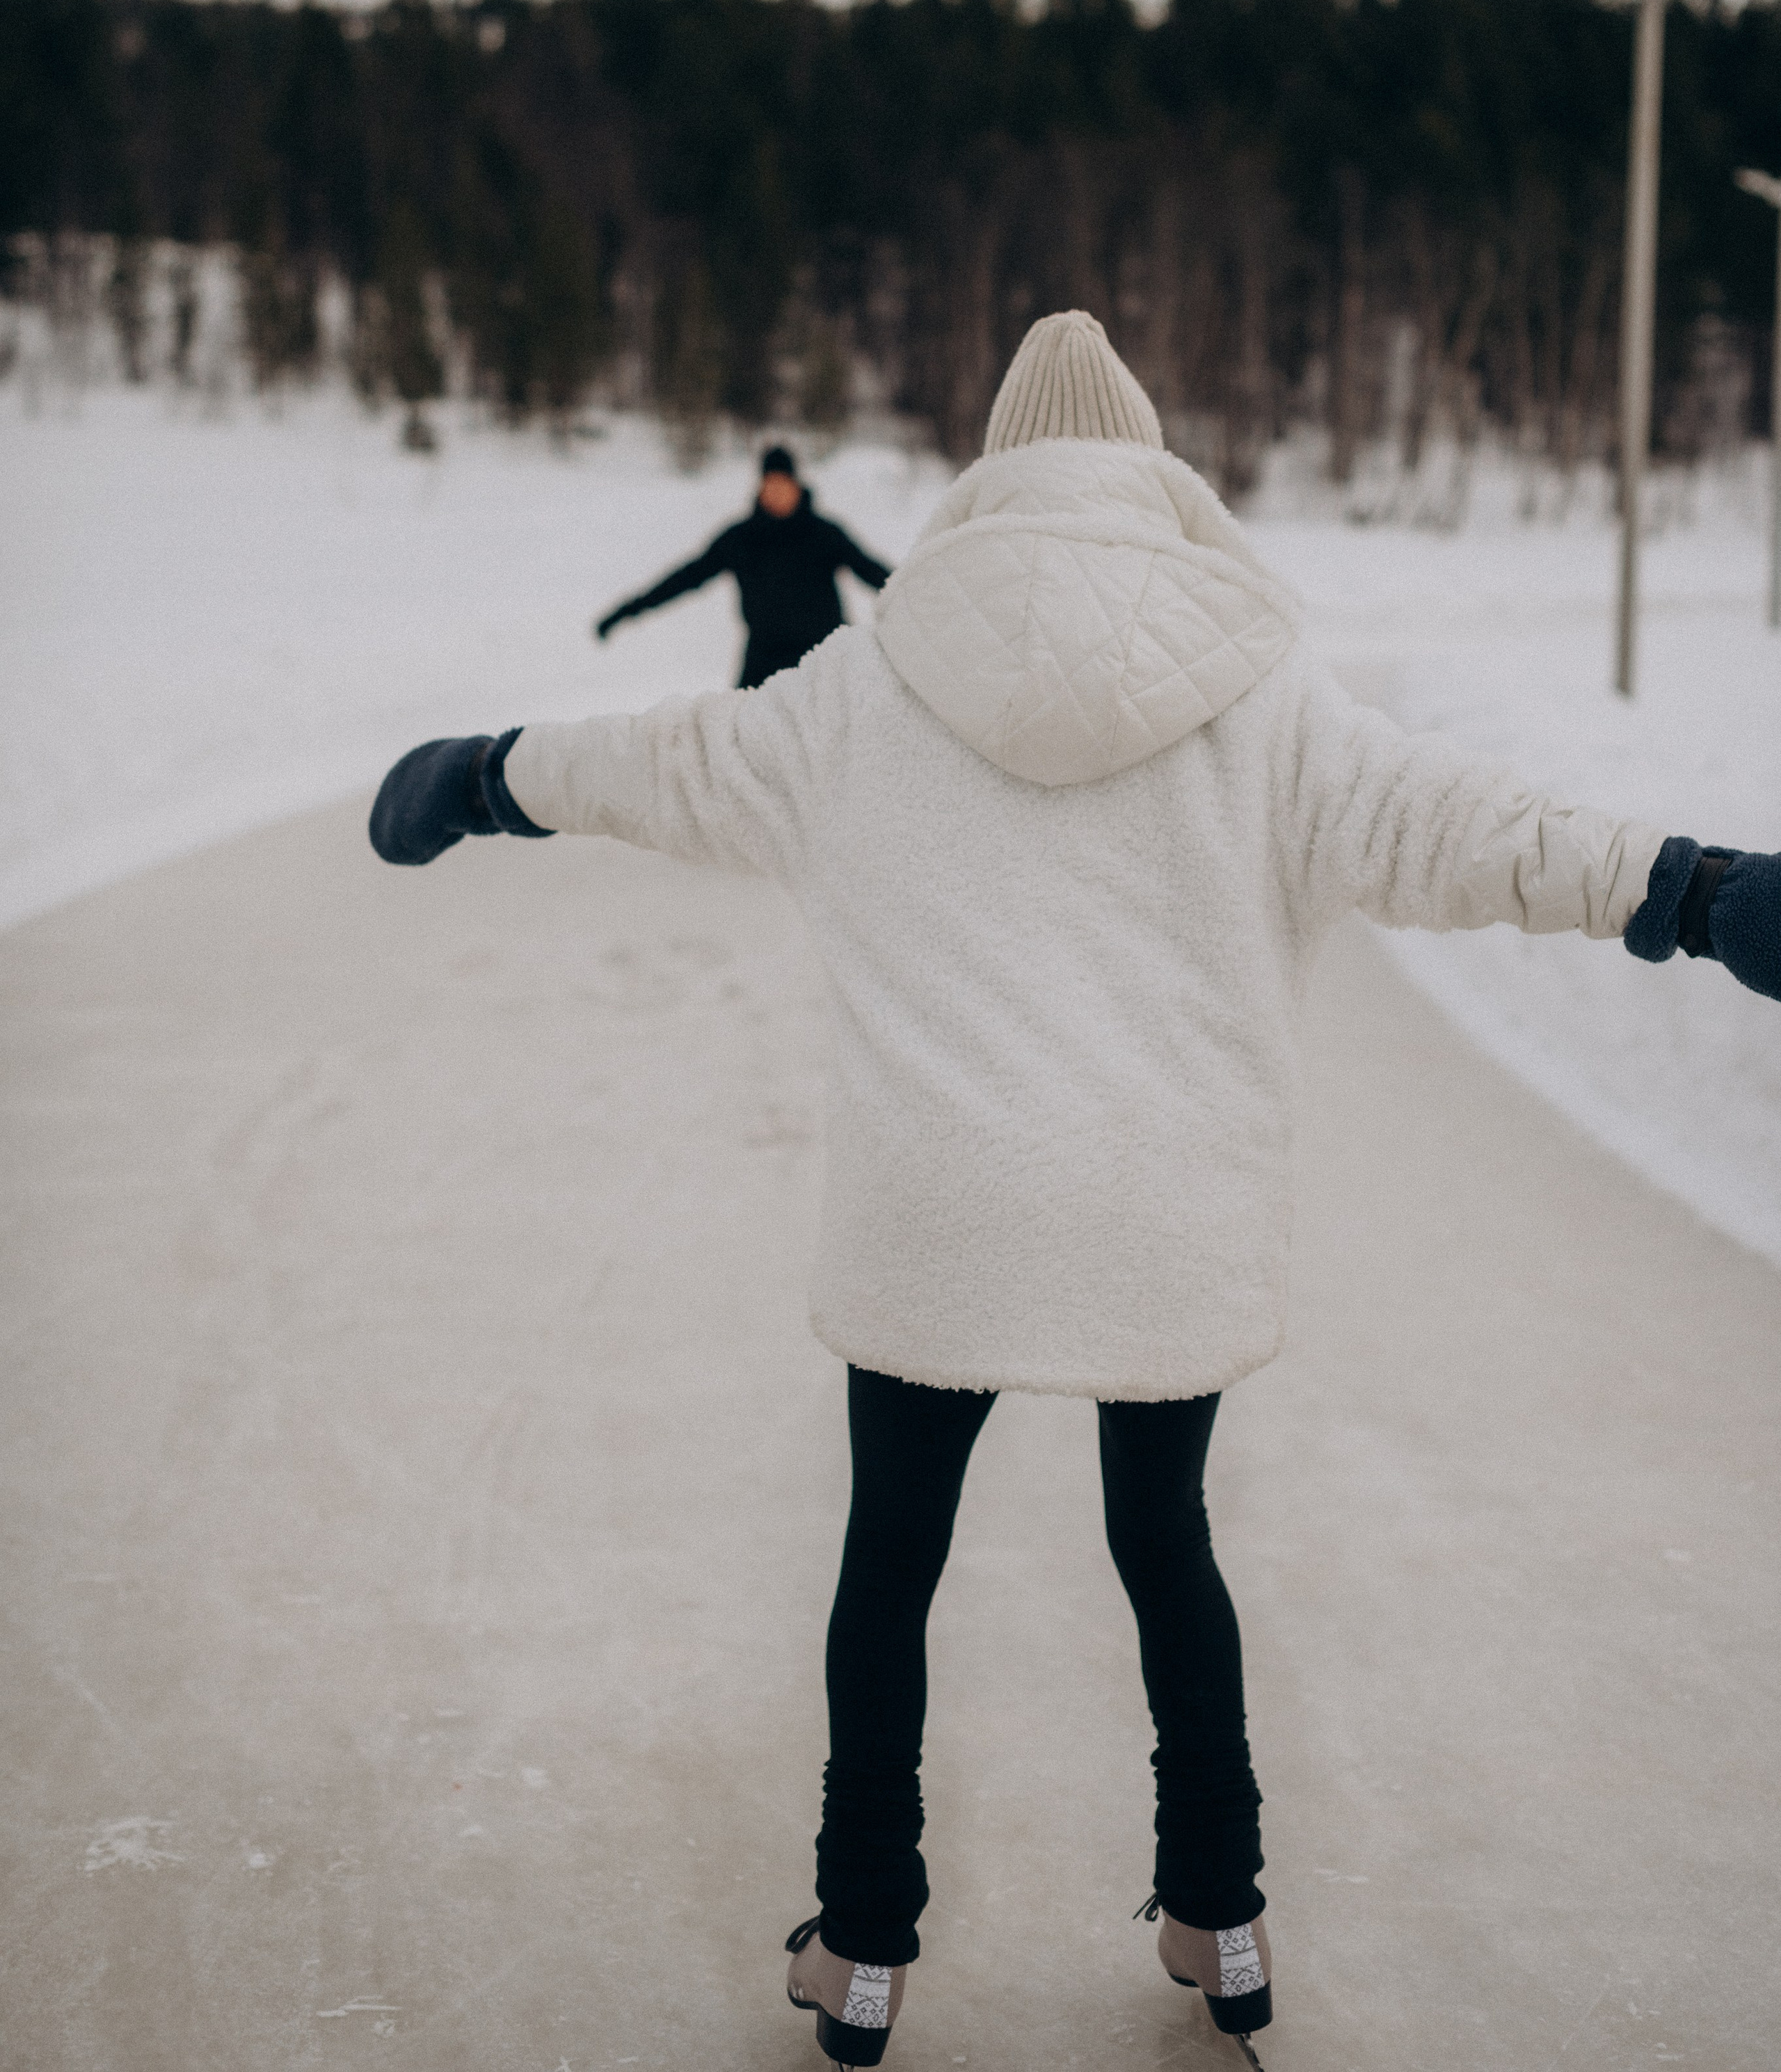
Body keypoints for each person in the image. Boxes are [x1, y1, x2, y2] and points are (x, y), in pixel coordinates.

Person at [368, 312, 1780, 2069]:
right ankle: (1224, 1913)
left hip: (932, 1215)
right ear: (1149, 469)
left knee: (890, 1557)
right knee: (1162, 1542)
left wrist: (474, 774)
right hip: (1158, 1212)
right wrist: (1692, 884)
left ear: (991, 471)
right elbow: (1466, 825)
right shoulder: (1263, 693)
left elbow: (655, 761)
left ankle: (863, 1941)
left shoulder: (863, 684)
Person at [594, 443, 892, 687]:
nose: (776, 492)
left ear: (796, 486)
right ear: (761, 487)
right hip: (764, 658)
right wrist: (625, 613)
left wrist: (918, 595)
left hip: (824, 657)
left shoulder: (824, 534)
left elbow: (875, 574)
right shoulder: (742, 538)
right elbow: (686, 578)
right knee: (741, 744)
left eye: (783, 484)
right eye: (770, 484)